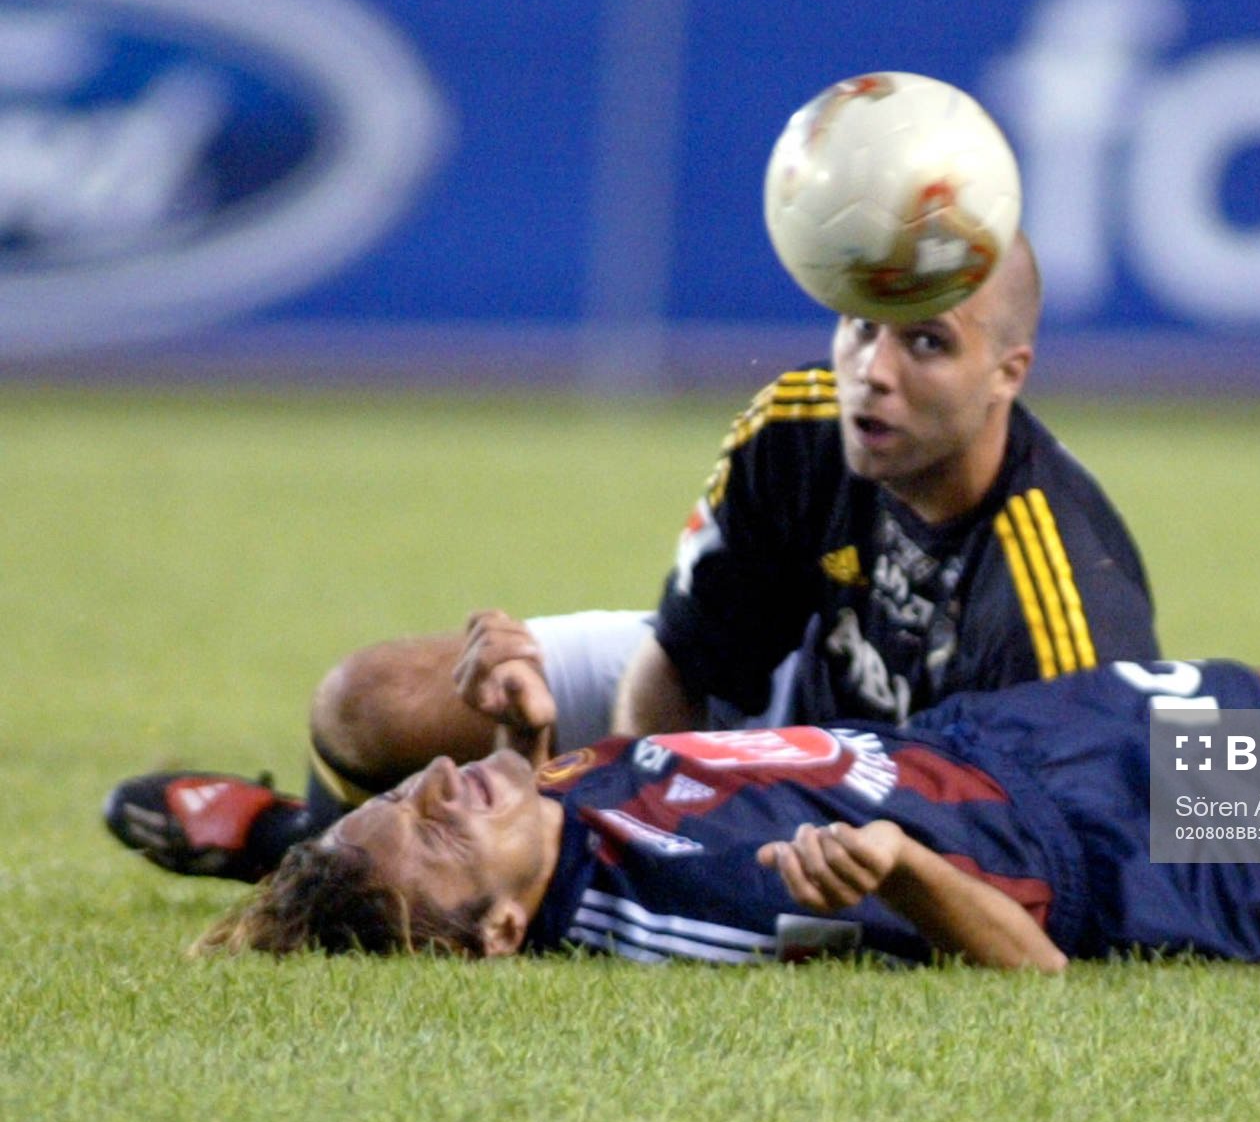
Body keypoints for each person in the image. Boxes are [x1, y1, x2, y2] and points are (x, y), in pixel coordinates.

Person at [109, 233, 1162, 882]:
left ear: (1007, 371)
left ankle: (288, 858)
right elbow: (681, 664)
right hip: (759, 722)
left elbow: (1034, 873)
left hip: (898, 812)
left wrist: (581, 827)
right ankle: (315, 849)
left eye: (925, 343)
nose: (869, 373)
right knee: (366, 699)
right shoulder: (800, 425)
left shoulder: (1054, 596)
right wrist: (590, 790)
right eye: (857, 326)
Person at [193, 656, 1260, 967]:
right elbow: (1031, 969)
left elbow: (441, 814)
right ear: (494, 931)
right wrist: (908, 867)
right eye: (428, 822)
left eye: (411, 791)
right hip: (1101, 858)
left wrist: (265, 837)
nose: (433, 783)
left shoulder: (544, 811)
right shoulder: (715, 900)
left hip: (1017, 739)